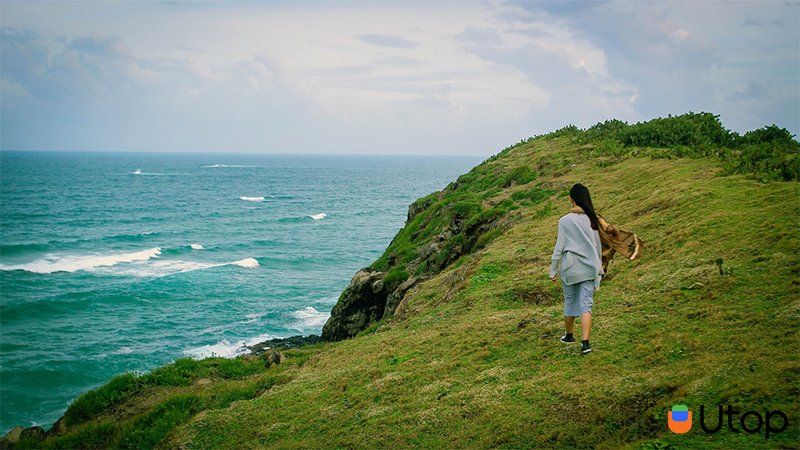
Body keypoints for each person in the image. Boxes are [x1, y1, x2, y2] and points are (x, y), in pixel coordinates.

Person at [549, 183, 604, 354]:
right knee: (586, 305)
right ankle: (585, 343)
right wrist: (599, 267)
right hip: (589, 268)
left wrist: (553, 271)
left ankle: (569, 335)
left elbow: (559, 248)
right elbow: (598, 247)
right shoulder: (593, 219)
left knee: (570, 301)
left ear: (571, 198)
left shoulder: (564, 221)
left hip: (570, 268)